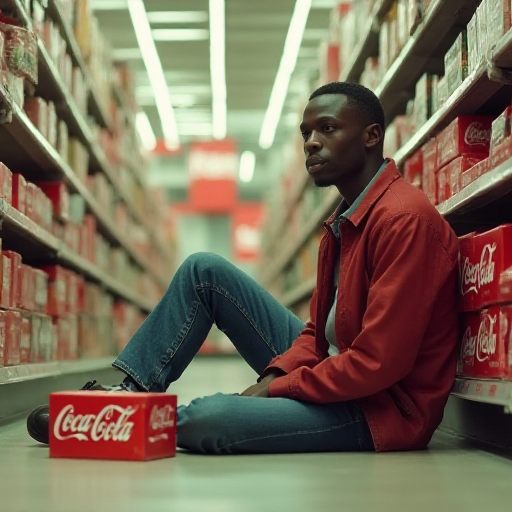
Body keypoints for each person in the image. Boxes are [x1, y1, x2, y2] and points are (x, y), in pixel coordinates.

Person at [27, 82, 460, 454]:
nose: (311, 142)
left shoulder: (404, 220)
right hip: (335, 369)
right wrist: (275, 373)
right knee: (204, 271)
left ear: (372, 136)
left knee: (208, 418)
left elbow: (378, 364)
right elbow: (316, 334)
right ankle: (128, 397)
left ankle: (123, 427)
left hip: (379, 410)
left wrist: (277, 387)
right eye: (306, 132)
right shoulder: (345, 218)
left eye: (328, 129)